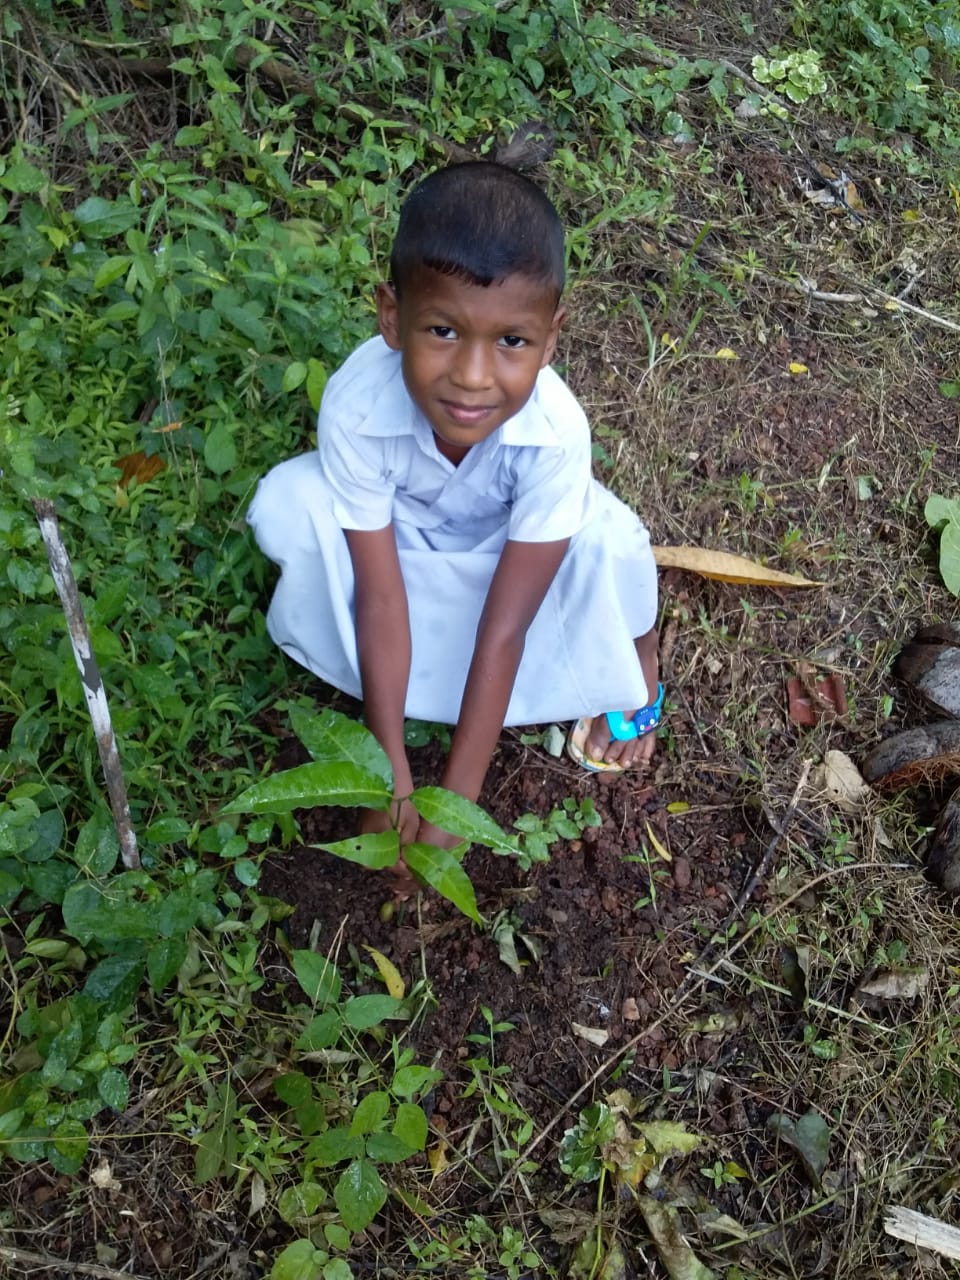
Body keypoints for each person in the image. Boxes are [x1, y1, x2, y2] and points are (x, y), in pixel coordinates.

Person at [248, 158, 662, 854]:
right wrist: (389, 780)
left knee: (615, 539)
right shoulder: (357, 404)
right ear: (392, 316)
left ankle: (639, 659)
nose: (472, 377)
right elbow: (380, 596)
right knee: (287, 503)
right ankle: (409, 690)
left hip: (510, 565)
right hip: (402, 557)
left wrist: (455, 804)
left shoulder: (557, 432)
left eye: (512, 342)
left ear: (551, 339)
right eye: (442, 331)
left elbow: (505, 627)